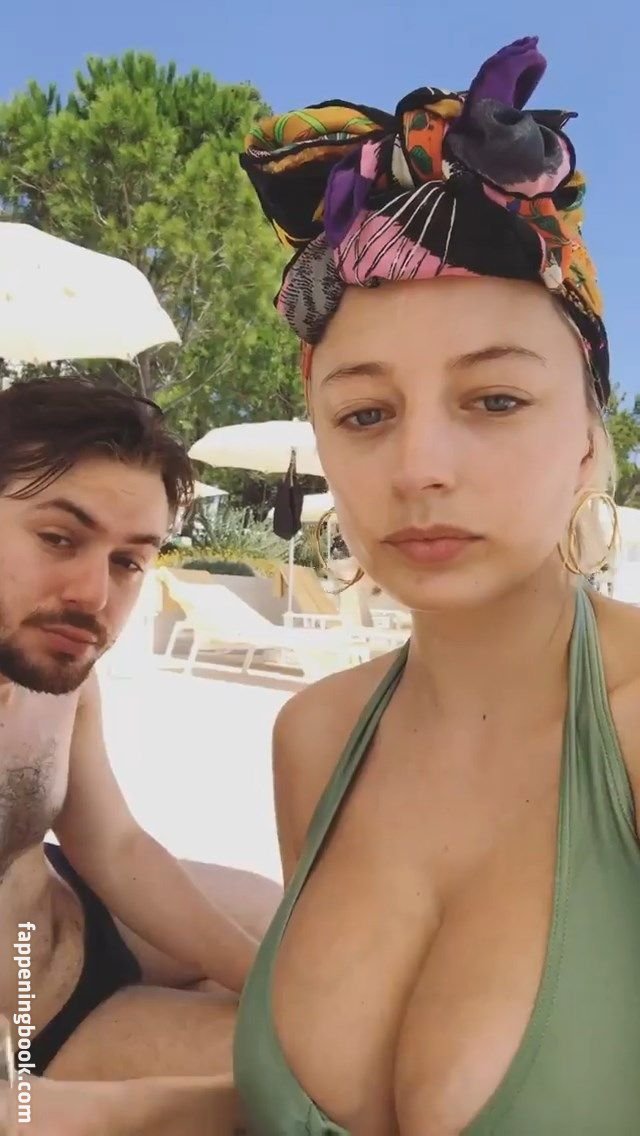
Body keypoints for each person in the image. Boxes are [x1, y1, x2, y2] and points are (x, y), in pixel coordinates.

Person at [233, 36, 640, 1136]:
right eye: (365, 413)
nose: (418, 467)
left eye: (494, 401)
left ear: (585, 432)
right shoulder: (315, 739)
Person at [0, 377, 280, 1133]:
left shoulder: (54, 673)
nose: (94, 594)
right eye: (59, 539)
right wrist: (185, 1104)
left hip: (70, 922)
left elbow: (112, 844)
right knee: (311, 1073)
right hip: (33, 1038)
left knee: (293, 937)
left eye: (128, 561)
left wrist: (264, 985)